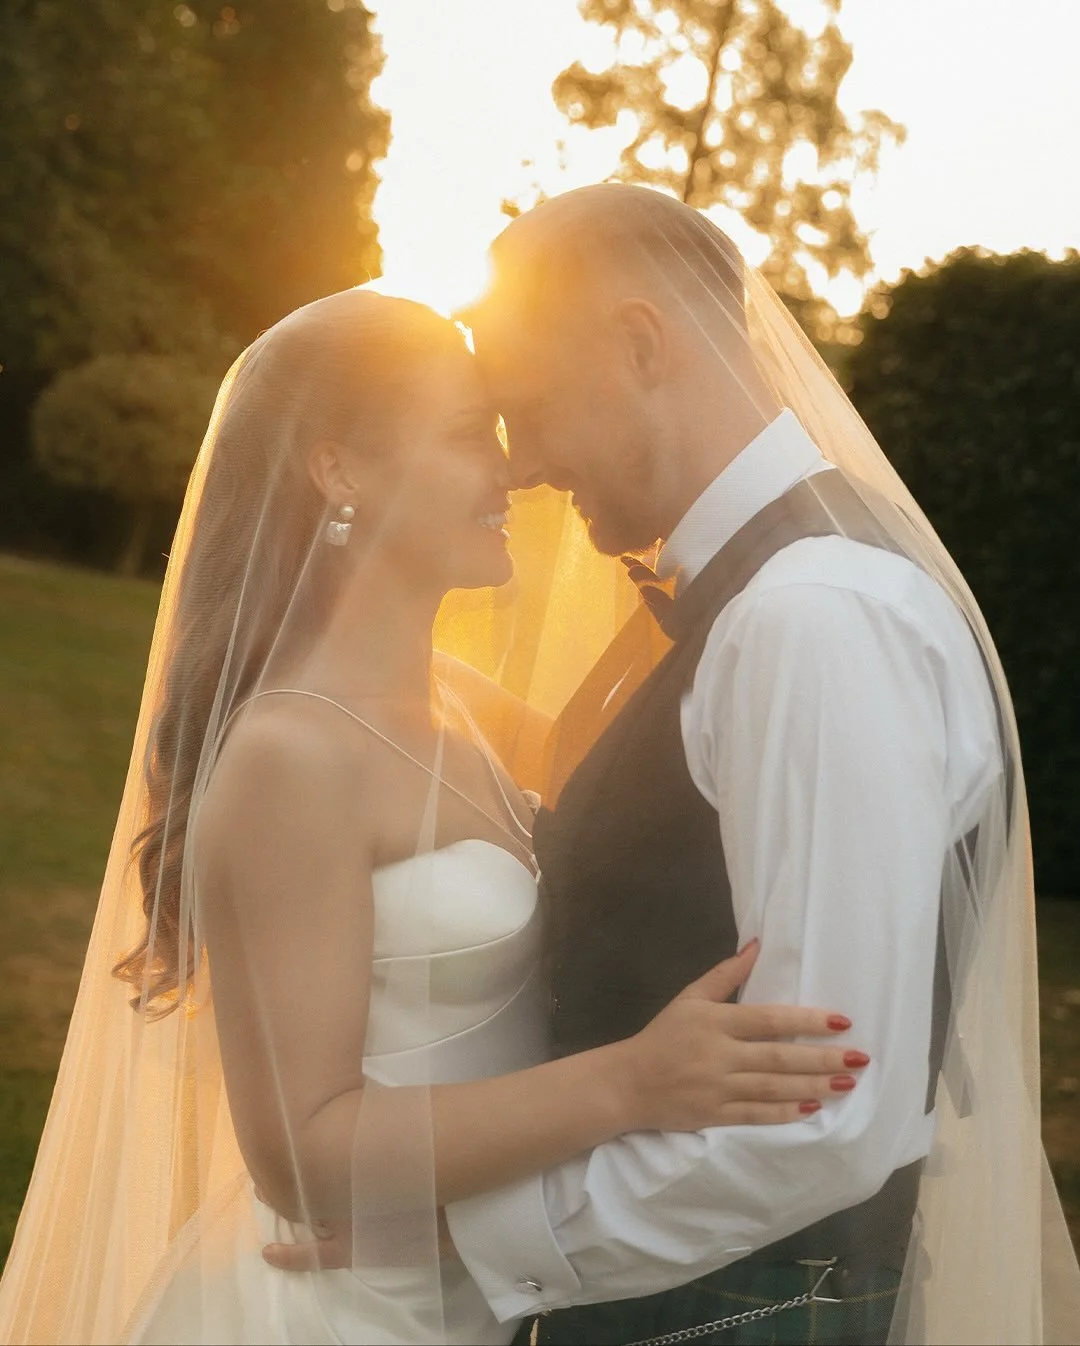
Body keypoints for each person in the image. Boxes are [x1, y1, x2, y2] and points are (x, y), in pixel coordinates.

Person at [0, 288, 867, 1346]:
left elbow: (659, 775)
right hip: (337, 1314)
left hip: (483, 1293)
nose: (509, 470)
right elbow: (301, 1150)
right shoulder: (292, 753)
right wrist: (635, 1080)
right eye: (468, 436)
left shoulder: (455, 701)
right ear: (341, 468)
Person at [428, 186, 1080, 1344]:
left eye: (529, 410)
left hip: (744, 1313)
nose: (520, 464)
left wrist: (473, 1239)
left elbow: (826, 1110)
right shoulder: (768, 595)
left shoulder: (813, 617)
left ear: (639, 345)